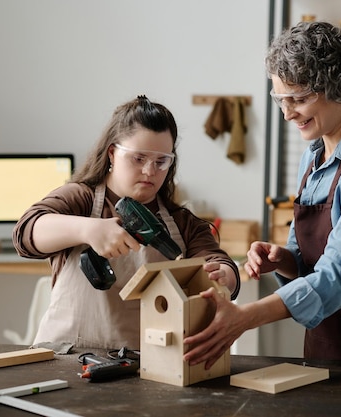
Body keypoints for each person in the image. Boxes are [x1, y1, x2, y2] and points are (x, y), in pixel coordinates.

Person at [183, 21, 341, 369]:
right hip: (328, 346)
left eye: (299, 99)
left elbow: (338, 275)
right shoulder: (314, 155)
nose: (288, 113)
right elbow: (309, 260)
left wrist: (244, 317)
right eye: (281, 100)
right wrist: (284, 260)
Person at [13, 95, 240, 350]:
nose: (150, 171)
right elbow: (25, 233)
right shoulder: (81, 199)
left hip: (148, 365)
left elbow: (218, 262)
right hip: (65, 359)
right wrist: (87, 229)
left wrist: (225, 276)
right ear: (113, 153)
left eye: (161, 161)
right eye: (138, 158)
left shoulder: (182, 222)